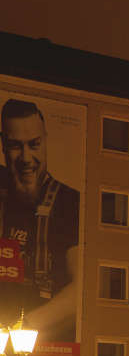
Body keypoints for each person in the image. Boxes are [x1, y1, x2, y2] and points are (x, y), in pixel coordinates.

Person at [0, 99, 79, 340]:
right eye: (15, 146)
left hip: (45, 347)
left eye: (34, 145)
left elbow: (79, 290)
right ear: (3, 146)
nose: (26, 158)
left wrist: (20, 331)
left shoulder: (69, 202)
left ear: (45, 141)